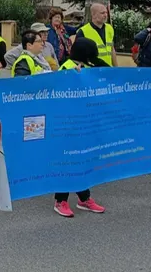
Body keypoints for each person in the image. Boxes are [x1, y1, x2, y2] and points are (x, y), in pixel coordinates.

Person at [52, 37, 108, 217]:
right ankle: (60, 200)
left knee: (84, 161)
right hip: (68, 125)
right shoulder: (66, 69)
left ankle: (84, 198)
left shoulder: (88, 67)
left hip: (86, 123)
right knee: (68, 162)